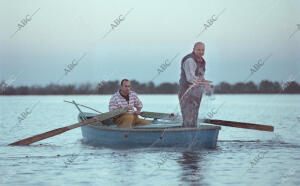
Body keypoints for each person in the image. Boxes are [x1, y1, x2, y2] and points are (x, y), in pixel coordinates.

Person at [178, 42, 212, 127]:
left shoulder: (202, 61)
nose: (201, 52)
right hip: (186, 92)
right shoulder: (190, 60)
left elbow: (200, 77)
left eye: (203, 50)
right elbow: (190, 78)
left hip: (196, 93)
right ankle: (185, 136)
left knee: (194, 119)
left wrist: (206, 83)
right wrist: (204, 83)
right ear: (194, 50)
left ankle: (193, 135)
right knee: (188, 119)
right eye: (199, 50)